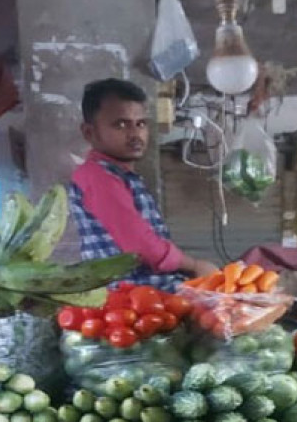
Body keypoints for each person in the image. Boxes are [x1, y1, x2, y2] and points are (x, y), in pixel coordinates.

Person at [67, 78, 220, 291]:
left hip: (150, 295)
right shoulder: (96, 176)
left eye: (140, 123)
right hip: (128, 302)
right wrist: (193, 265)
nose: (135, 134)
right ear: (89, 133)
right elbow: (140, 245)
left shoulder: (122, 175)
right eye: (121, 124)